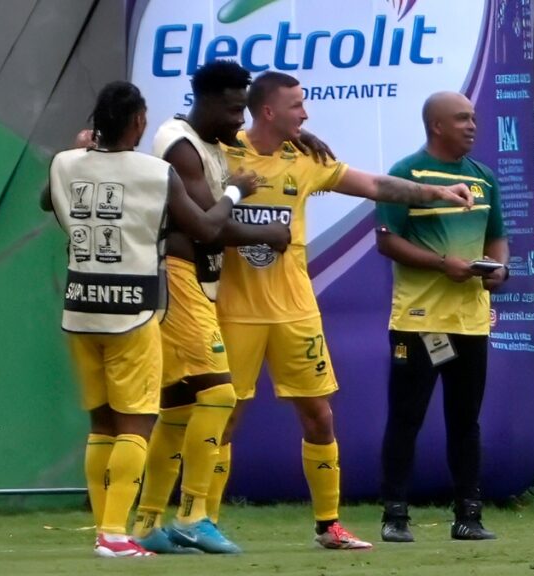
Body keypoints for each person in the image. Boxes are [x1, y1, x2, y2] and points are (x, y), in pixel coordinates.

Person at [216, 71, 476, 550]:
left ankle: (328, 526)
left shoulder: (306, 158)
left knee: (319, 417)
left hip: (296, 312)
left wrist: (435, 192)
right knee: (223, 419)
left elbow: (374, 184)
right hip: (235, 312)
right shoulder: (221, 151)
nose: (306, 113)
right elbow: (177, 151)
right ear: (269, 111)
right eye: (297, 105)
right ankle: (200, 522)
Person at [131, 60, 329, 554]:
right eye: (233, 108)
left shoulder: (213, 141)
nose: (240, 119)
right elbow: (207, 227)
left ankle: (146, 523)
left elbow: (260, 141)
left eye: (245, 108)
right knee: (218, 396)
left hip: (197, 283)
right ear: (209, 102)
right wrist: (266, 228)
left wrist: (298, 135)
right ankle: (195, 514)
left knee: (178, 409)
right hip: (179, 278)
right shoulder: (180, 146)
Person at [46, 81, 242, 557]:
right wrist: (235, 191)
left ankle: (104, 528)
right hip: (132, 311)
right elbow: (206, 228)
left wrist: (85, 155)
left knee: (102, 426)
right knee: (136, 426)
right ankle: (115, 535)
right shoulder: (157, 173)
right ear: (137, 122)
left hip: (79, 308)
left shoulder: (64, 163)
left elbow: (48, 201)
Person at [375, 92, 508, 543]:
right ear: (436, 125)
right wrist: (440, 264)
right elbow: (387, 241)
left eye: (474, 117)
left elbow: (497, 236)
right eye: (462, 118)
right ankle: (395, 517)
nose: (473, 125)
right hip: (418, 321)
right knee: (406, 418)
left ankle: (468, 516)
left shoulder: (484, 178)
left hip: (470, 322)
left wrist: (498, 270)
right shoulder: (406, 174)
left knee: (465, 421)